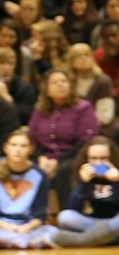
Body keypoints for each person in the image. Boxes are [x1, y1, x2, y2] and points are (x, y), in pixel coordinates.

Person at [41, 136, 119, 247]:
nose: (98, 163)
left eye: (103, 158)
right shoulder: (83, 172)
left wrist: (118, 182)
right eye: (93, 158)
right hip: (94, 222)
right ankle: (113, 238)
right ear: (87, 159)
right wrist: (82, 183)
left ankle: (82, 240)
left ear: (112, 158)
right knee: (65, 216)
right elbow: (74, 208)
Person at [29, 69, 100, 211]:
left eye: (64, 81)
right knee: (24, 166)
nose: (60, 85)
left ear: (71, 86)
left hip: (74, 156)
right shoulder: (40, 110)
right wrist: (41, 158)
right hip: (45, 158)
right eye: (55, 82)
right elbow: (32, 139)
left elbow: (86, 141)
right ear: (47, 90)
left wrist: (57, 161)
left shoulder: (83, 107)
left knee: (65, 170)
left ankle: (68, 215)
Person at [0, 129, 58, 249]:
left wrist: (25, 228)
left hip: (26, 226)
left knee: (54, 232)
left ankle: (16, 242)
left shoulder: (40, 175)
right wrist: (9, 227)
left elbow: (40, 214)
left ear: (31, 150)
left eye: (23, 146)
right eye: (14, 145)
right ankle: (22, 243)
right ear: (6, 148)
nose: (18, 150)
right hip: (2, 225)